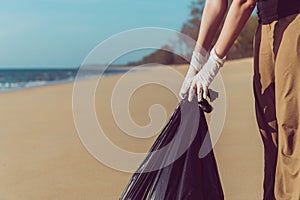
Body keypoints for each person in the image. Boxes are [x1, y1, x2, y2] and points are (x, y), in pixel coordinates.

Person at [179, 0, 300, 199]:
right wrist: (195, 65)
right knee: (271, 135)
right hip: (266, 25)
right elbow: (216, 3)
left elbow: (245, 3)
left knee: (292, 132)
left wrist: (213, 63)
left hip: (293, 21)